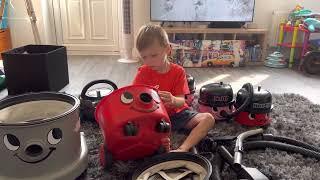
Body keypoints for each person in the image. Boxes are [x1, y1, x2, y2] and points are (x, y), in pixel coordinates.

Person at [132, 24, 215, 152]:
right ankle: (160, 143)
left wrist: (172, 100)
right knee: (132, 128)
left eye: (154, 55)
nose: (149, 61)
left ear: (167, 49)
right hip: (153, 118)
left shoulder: (178, 72)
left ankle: (183, 148)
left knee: (208, 119)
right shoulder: (143, 72)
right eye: (144, 57)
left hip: (177, 115)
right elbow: (134, 98)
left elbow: (182, 101)